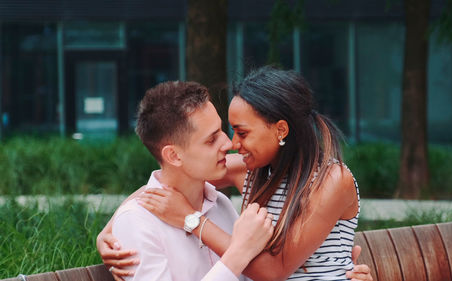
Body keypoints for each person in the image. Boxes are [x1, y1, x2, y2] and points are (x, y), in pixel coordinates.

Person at [98, 66, 373, 281]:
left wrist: (191, 220)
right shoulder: (250, 169)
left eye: (242, 132)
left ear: (280, 130)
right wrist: (113, 228)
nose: (232, 144)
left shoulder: (330, 180)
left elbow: (274, 271)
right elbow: (169, 177)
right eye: (225, 133)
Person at [107, 80, 274, 281]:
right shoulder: (137, 221)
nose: (228, 143)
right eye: (211, 140)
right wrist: (239, 253)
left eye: (221, 131)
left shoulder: (221, 204)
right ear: (174, 156)